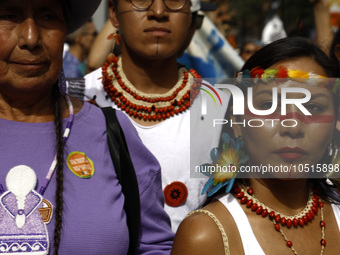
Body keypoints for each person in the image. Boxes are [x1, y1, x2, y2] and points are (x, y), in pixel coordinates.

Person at [0, 0, 174, 254]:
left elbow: (153, 246)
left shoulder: (109, 132)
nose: (31, 38)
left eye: (48, 16)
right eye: (9, 15)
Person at [68, 0, 229, 232]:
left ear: (190, 17)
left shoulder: (223, 110)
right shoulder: (73, 101)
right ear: (113, 13)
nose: (158, 12)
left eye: (174, 1)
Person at [171, 37, 340, 254]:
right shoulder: (206, 236)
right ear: (238, 122)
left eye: (313, 107)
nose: (293, 126)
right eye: (269, 105)